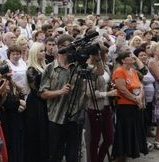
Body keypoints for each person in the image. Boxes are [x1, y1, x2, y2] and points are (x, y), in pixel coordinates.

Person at [39, 34, 104, 162]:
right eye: (68, 47)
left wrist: (97, 58)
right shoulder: (50, 68)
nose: (72, 51)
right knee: (55, 155)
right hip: (56, 118)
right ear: (60, 48)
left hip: (75, 119)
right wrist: (60, 92)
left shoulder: (79, 65)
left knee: (73, 155)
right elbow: (43, 94)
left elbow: (99, 73)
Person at [111, 50, 149, 162]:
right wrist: (136, 100)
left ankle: (126, 155)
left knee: (133, 131)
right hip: (125, 106)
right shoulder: (119, 71)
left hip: (135, 106)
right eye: (129, 56)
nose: (132, 57)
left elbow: (140, 86)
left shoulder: (133, 70)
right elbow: (122, 89)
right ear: (123, 60)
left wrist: (139, 99)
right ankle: (120, 157)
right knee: (124, 132)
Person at [24, 42, 49, 162]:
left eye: (44, 50)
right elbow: (35, 91)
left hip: (45, 101)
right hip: (36, 104)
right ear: (34, 53)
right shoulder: (31, 69)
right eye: (41, 51)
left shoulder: (45, 66)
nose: (44, 53)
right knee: (37, 133)